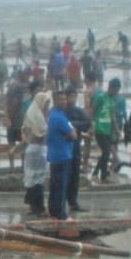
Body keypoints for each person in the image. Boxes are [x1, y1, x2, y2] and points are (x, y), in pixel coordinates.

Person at [46, 89, 79, 220]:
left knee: (55, 185)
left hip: (54, 156)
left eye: (65, 99)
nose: (64, 102)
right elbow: (74, 135)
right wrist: (70, 134)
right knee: (62, 187)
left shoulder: (53, 115)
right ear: (55, 101)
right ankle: (61, 214)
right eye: (61, 99)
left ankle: (53, 211)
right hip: (63, 156)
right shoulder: (60, 118)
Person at [22, 89, 53, 215]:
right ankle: (39, 208)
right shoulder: (39, 117)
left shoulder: (31, 112)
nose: (47, 107)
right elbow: (43, 133)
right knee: (38, 180)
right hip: (38, 150)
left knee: (31, 178)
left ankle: (32, 206)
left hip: (32, 149)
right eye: (46, 104)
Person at [61, 85, 92, 212]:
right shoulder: (61, 111)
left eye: (75, 96)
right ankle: (62, 202)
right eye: (71, 96)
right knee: (64, 175)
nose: (73, 99)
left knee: (74, 176)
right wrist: (70, 126)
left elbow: (87, 123)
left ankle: (73, 202)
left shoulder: (78, 111)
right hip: (63, 147)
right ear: (66, 97)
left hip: (75, 147)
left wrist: (73, 125)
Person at [90, 77, 127, 182]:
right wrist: (92, 125)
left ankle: (97, 171)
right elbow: (93, 110)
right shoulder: (101, 97)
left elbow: (112, 116)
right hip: (99, 129)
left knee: (106, 153)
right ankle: (103, 175)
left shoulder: (113, 100)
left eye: (118, 90)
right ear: (111, 88)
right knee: (106, 151)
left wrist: (117, 130)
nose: (117, 92)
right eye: (116, 90)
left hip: (108, 130)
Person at [4, 75, 27, 148]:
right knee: (19, 144)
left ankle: (18, 159)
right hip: (17, 122)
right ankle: (22, 159)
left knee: (14, 144)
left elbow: (13, 105)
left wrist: (8, 118)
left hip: (16, 123)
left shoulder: (14, 99)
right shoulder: (17, 99)